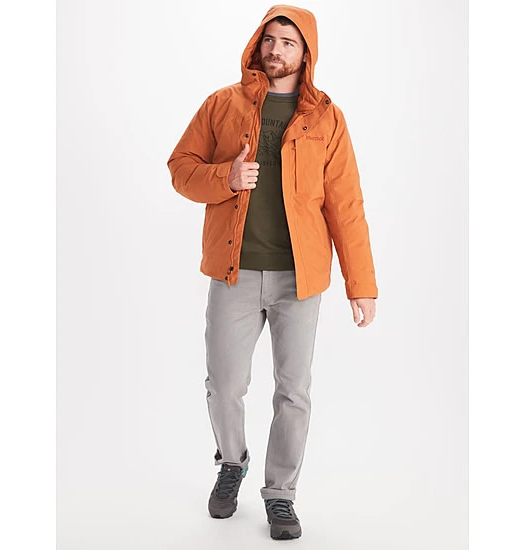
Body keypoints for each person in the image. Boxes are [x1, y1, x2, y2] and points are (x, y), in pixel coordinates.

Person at [167, 5, 378, 541]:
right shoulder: (222, 104)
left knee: (293, 392)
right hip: (233, 272)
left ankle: (280, 494)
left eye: (289, 42)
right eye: (270, 39)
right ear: (257, 45)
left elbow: (346, 205)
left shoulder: (327, 118)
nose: (276, 49)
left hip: (298, 280)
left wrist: (361, 285)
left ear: (306, 53)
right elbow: (180, 168)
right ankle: (231, 462)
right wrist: (227, 177)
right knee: (224, 386)